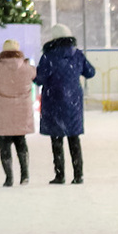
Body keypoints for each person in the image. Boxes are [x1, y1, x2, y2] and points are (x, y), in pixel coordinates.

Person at [35, 24, 96, 185]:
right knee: (74, 139)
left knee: (57, 140)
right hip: (73, 101)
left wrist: (33, 73)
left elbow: (39, 79)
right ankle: (78, 175)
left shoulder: (48, 56)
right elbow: (90, 72)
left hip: (53, 100)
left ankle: (60, 175)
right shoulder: (77, 55)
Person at [0, 38, 36, 187]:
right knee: (21, 143)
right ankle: (25, 174)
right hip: (20, 112)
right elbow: (34, 75)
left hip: (1, 113)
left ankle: (9, 177)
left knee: (4, 145)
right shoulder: (26, 67)